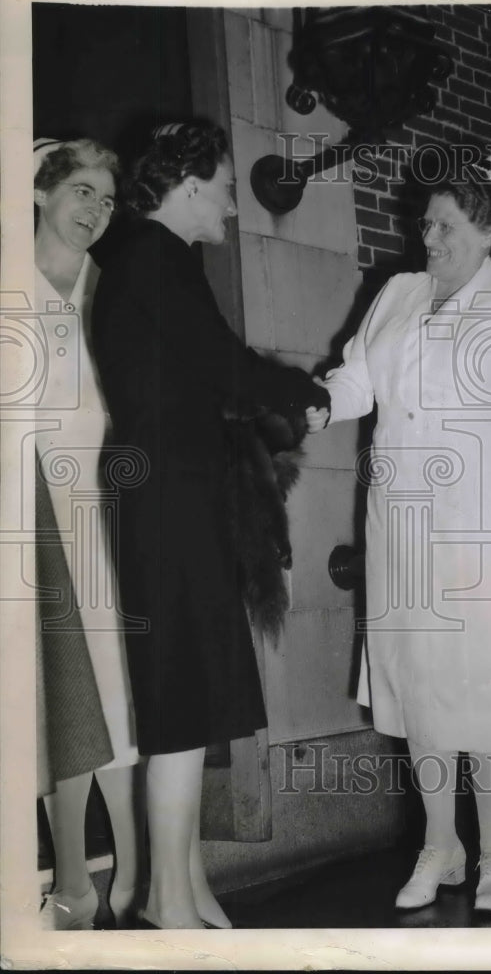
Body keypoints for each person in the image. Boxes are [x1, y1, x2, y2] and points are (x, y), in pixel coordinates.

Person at [308, 153, 491, 912]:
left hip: (483, 525)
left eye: (446, 225)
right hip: (399, 525)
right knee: (417, 683)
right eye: (424, 222)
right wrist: (316, 403)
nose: (428, 236)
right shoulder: (398, 292)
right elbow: (358, 376)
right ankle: (440, 844)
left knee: (484, 686)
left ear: (488, 228)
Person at [91, 120, 329, 929]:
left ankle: (187, 891)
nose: (232, 206)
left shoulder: (153, 261)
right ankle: (167, 905)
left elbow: (205, 373)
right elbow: (225, 366)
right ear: (190, 186)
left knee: (189, 699)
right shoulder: (154, 259)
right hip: (167, 500)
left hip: (176, 497)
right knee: (181, 703)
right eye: (226, 188)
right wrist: (306, 397)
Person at [33, 137, 142, 929]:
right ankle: (71, 874)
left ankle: (132, 869)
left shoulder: (107, 294)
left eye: (106, 201)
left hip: (100, 515)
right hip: (26, 520)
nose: (93, 212)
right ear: (38, 195)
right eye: (79, 191)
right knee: (52, 699)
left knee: (113, 690)